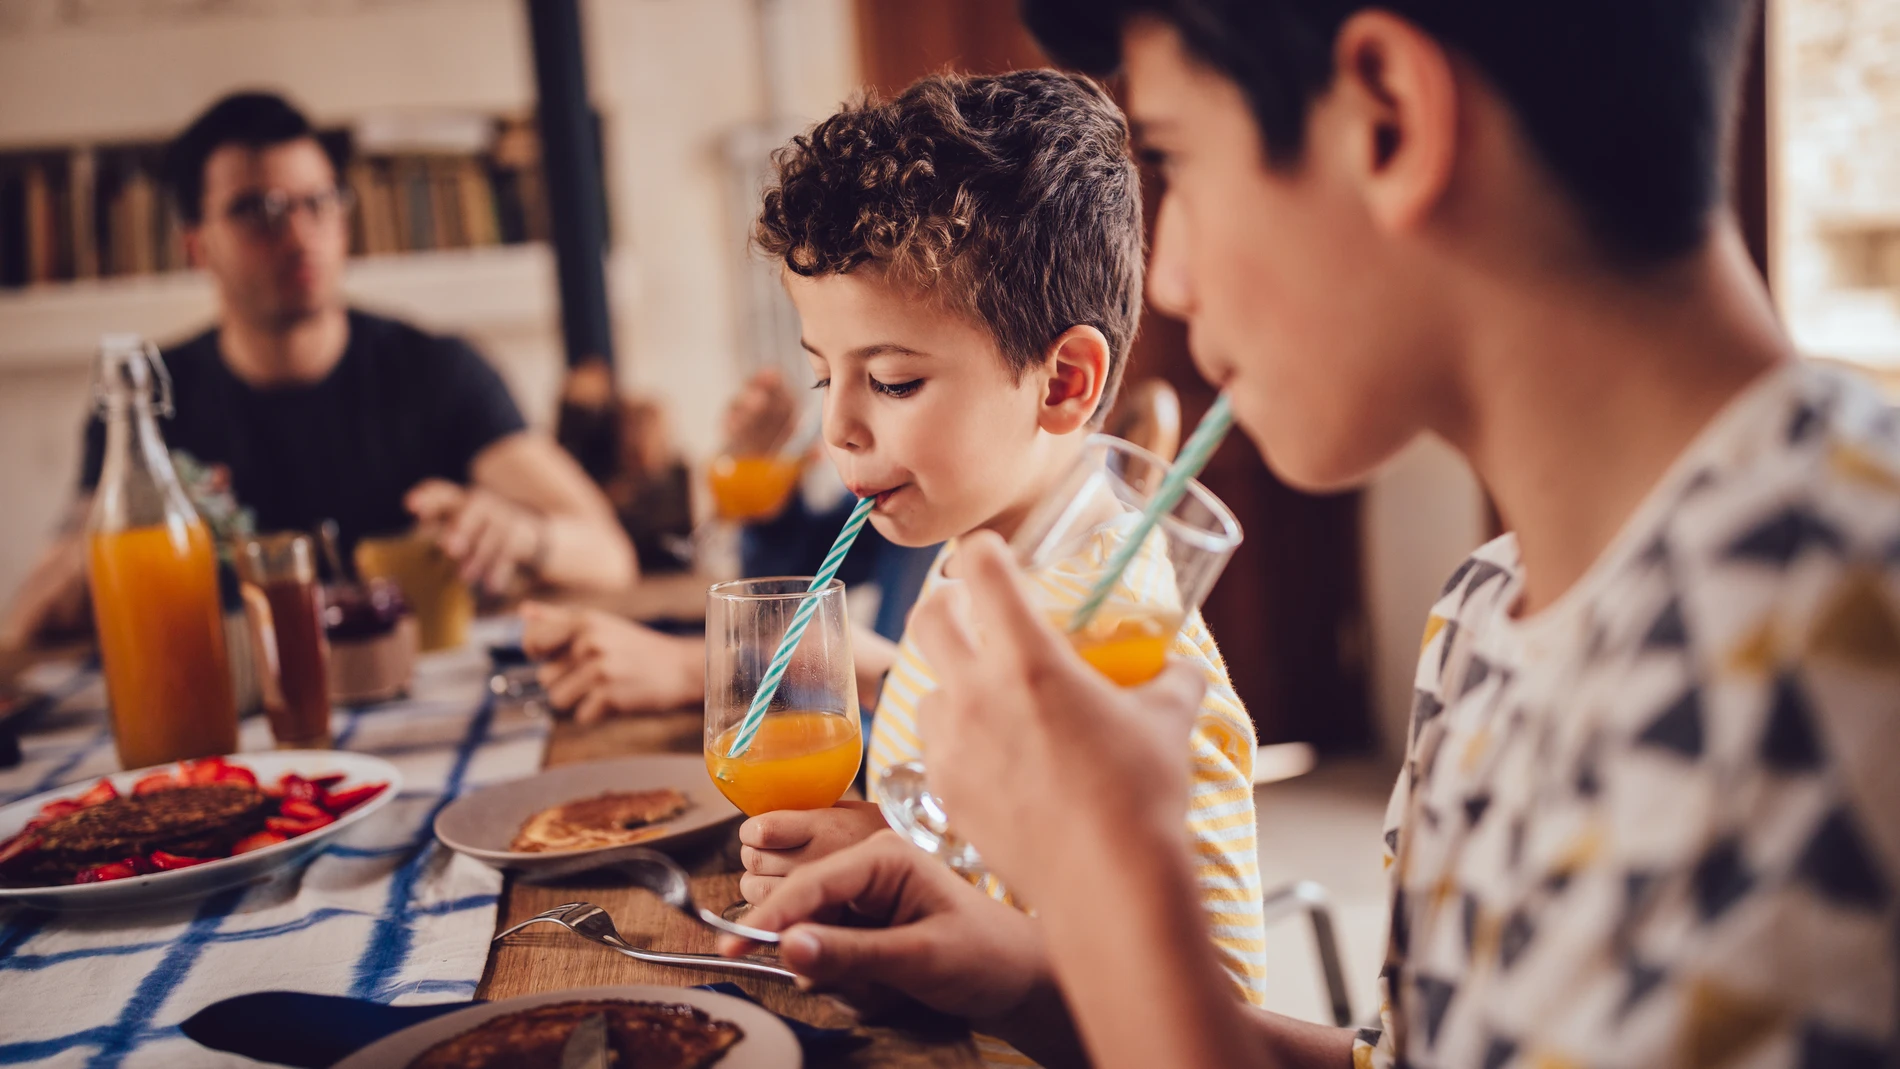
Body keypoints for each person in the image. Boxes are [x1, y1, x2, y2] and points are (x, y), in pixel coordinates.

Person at [719, 2, 1900, 1068]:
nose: (1169, 282)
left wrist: (1108, 884)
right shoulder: (1487, 610)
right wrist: (1020, 973)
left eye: (1178, 159)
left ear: (1386, 119)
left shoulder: (1834, 652)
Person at [0, 92, 634, 649]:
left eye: (319, 202)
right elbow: (30, 617)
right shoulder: (149, 399)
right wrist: (91, 563)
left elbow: (609, 553)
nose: (299, 234)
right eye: (258, 209)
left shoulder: (436, 370)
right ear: (197, 246)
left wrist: (521, 535)